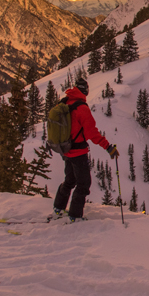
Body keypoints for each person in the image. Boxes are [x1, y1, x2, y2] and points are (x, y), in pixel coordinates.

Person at [52, 76, 119, 221]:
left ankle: (58, 208)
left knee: (69, 180)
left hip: (66, 150)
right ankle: (75, 216)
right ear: (85, 91)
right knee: (83, 184)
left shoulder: (65, 102)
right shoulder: (82, 108)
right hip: (78, 152)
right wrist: (108, 147)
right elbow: (92, 133)